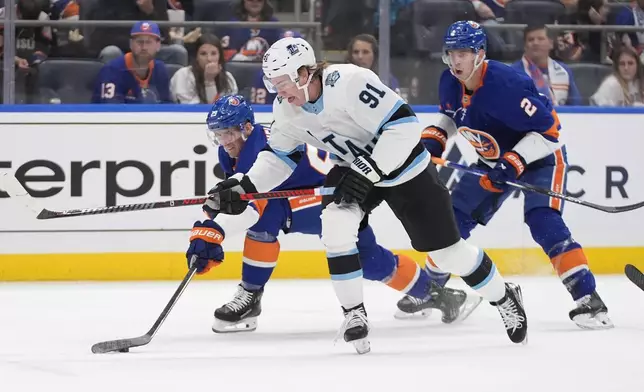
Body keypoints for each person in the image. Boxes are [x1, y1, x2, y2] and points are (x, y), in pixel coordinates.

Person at [195, 36, 528, 354]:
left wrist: (368, 169)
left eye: (280, 81)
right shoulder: (287, 108)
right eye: (271, 83)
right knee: (336, 224)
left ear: (303, 72)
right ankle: (354, 313)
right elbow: (279, 157)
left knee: (448, 254)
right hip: (355, 167)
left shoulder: (350, 82)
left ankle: (503, 296)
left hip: (405, 167)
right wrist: (245, 186)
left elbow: (405, 126)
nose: (276, 91)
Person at [186, 95, 482, 336]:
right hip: (310, 195)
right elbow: (236, 201)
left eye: (228, 133)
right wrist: (209, 221)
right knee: (369, 259)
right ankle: (436, 294)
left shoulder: (256, 147)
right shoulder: (231, 152)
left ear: (247, 128)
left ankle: (436, 293)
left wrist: (214, 232)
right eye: (219, 134)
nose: (224, 140)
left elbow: (251, 207)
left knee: (272, 217)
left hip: (335, 193)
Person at [403, 20, 612, 330]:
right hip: (493, 161)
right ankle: (433, 290)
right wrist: (435, 139)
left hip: (541, 157)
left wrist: (514, 161)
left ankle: (589, 299)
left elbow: (550, 131)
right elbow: (451, 115)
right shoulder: (449, 80)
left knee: (544, 222)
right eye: (451, 53)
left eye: (464, 53)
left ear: (480, 54)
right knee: (452, 219)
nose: (456, 61)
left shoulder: (506, 84)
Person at [92, 21, 172, 104]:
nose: (144, 47)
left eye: (149, 42)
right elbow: (110, 112)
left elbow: (168, 108)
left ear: (158, 46)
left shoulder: (160, 70)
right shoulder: (112, 70)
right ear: (130, 44)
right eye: (139, 42)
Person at [510, 24, 582, 107]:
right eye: (531, 40)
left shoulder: (564, 70)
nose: (535, 43)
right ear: (525, 46)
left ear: (551, 44)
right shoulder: (513, 72)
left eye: (540, 39)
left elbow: (576, 104)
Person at [170, 34, 238, 104]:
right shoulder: (183, 75)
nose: (209, 59)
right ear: (196, 57)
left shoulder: (228, 78)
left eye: (213, 54)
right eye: (203, 54)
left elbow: (228, 109)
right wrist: (209, 81)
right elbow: (193, 111)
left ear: (219, 57)